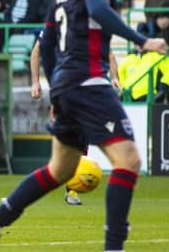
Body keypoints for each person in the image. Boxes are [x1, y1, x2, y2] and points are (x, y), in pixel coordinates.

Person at [0, 0, 167, 252]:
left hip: (65, 83)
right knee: (129, 161)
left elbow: (45, 41)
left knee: (60, 169)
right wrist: (143, 41)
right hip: (88, 81)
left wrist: (55, 85)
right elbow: (99, 10)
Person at [30, 35, 122, 206]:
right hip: (65, 87)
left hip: (93, 86)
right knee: (67, 139)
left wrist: (115, 77)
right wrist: (35, 82)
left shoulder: (92, 23)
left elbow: (108, 53)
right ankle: (63, 182)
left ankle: (72, 184)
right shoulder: (57, 24)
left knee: (84, 135)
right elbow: (36, 52)